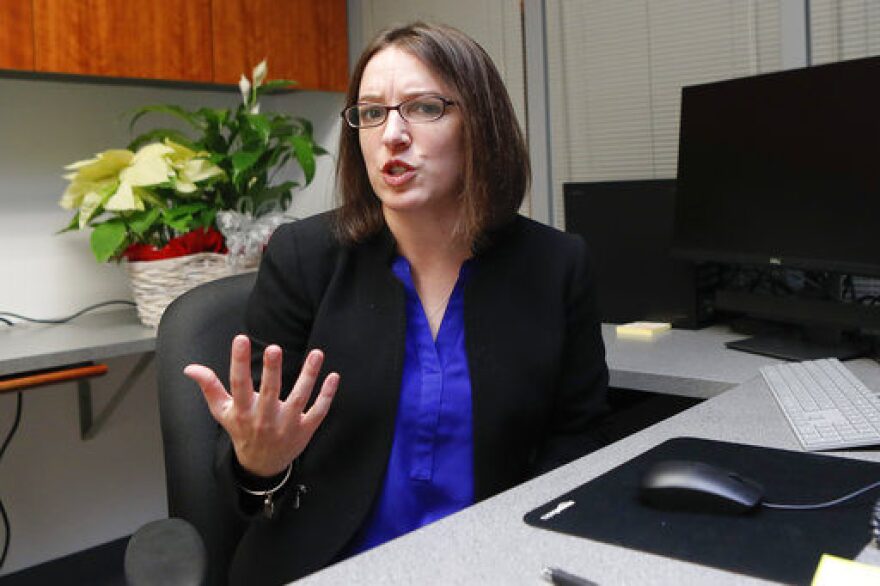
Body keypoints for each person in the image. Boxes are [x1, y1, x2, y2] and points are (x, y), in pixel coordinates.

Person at [184, 21, 609, 585]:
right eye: (371, 112)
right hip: (333, 564)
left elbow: (579, 437)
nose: (392, 135)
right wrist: (260, 463)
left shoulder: (557, 265)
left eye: (423, 108)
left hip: (491, 561)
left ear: (480, 124)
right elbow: (247, 466)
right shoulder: (304, 257)